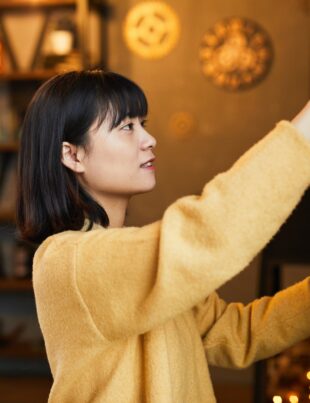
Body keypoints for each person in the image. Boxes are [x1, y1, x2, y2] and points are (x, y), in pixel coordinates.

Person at [17, 69, 310, 403]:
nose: (148, 139)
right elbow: (213, 231)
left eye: (143, 124)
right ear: (72, 155)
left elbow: (237, 335)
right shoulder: (68, 261)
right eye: (126, 127)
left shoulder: (134, 259)